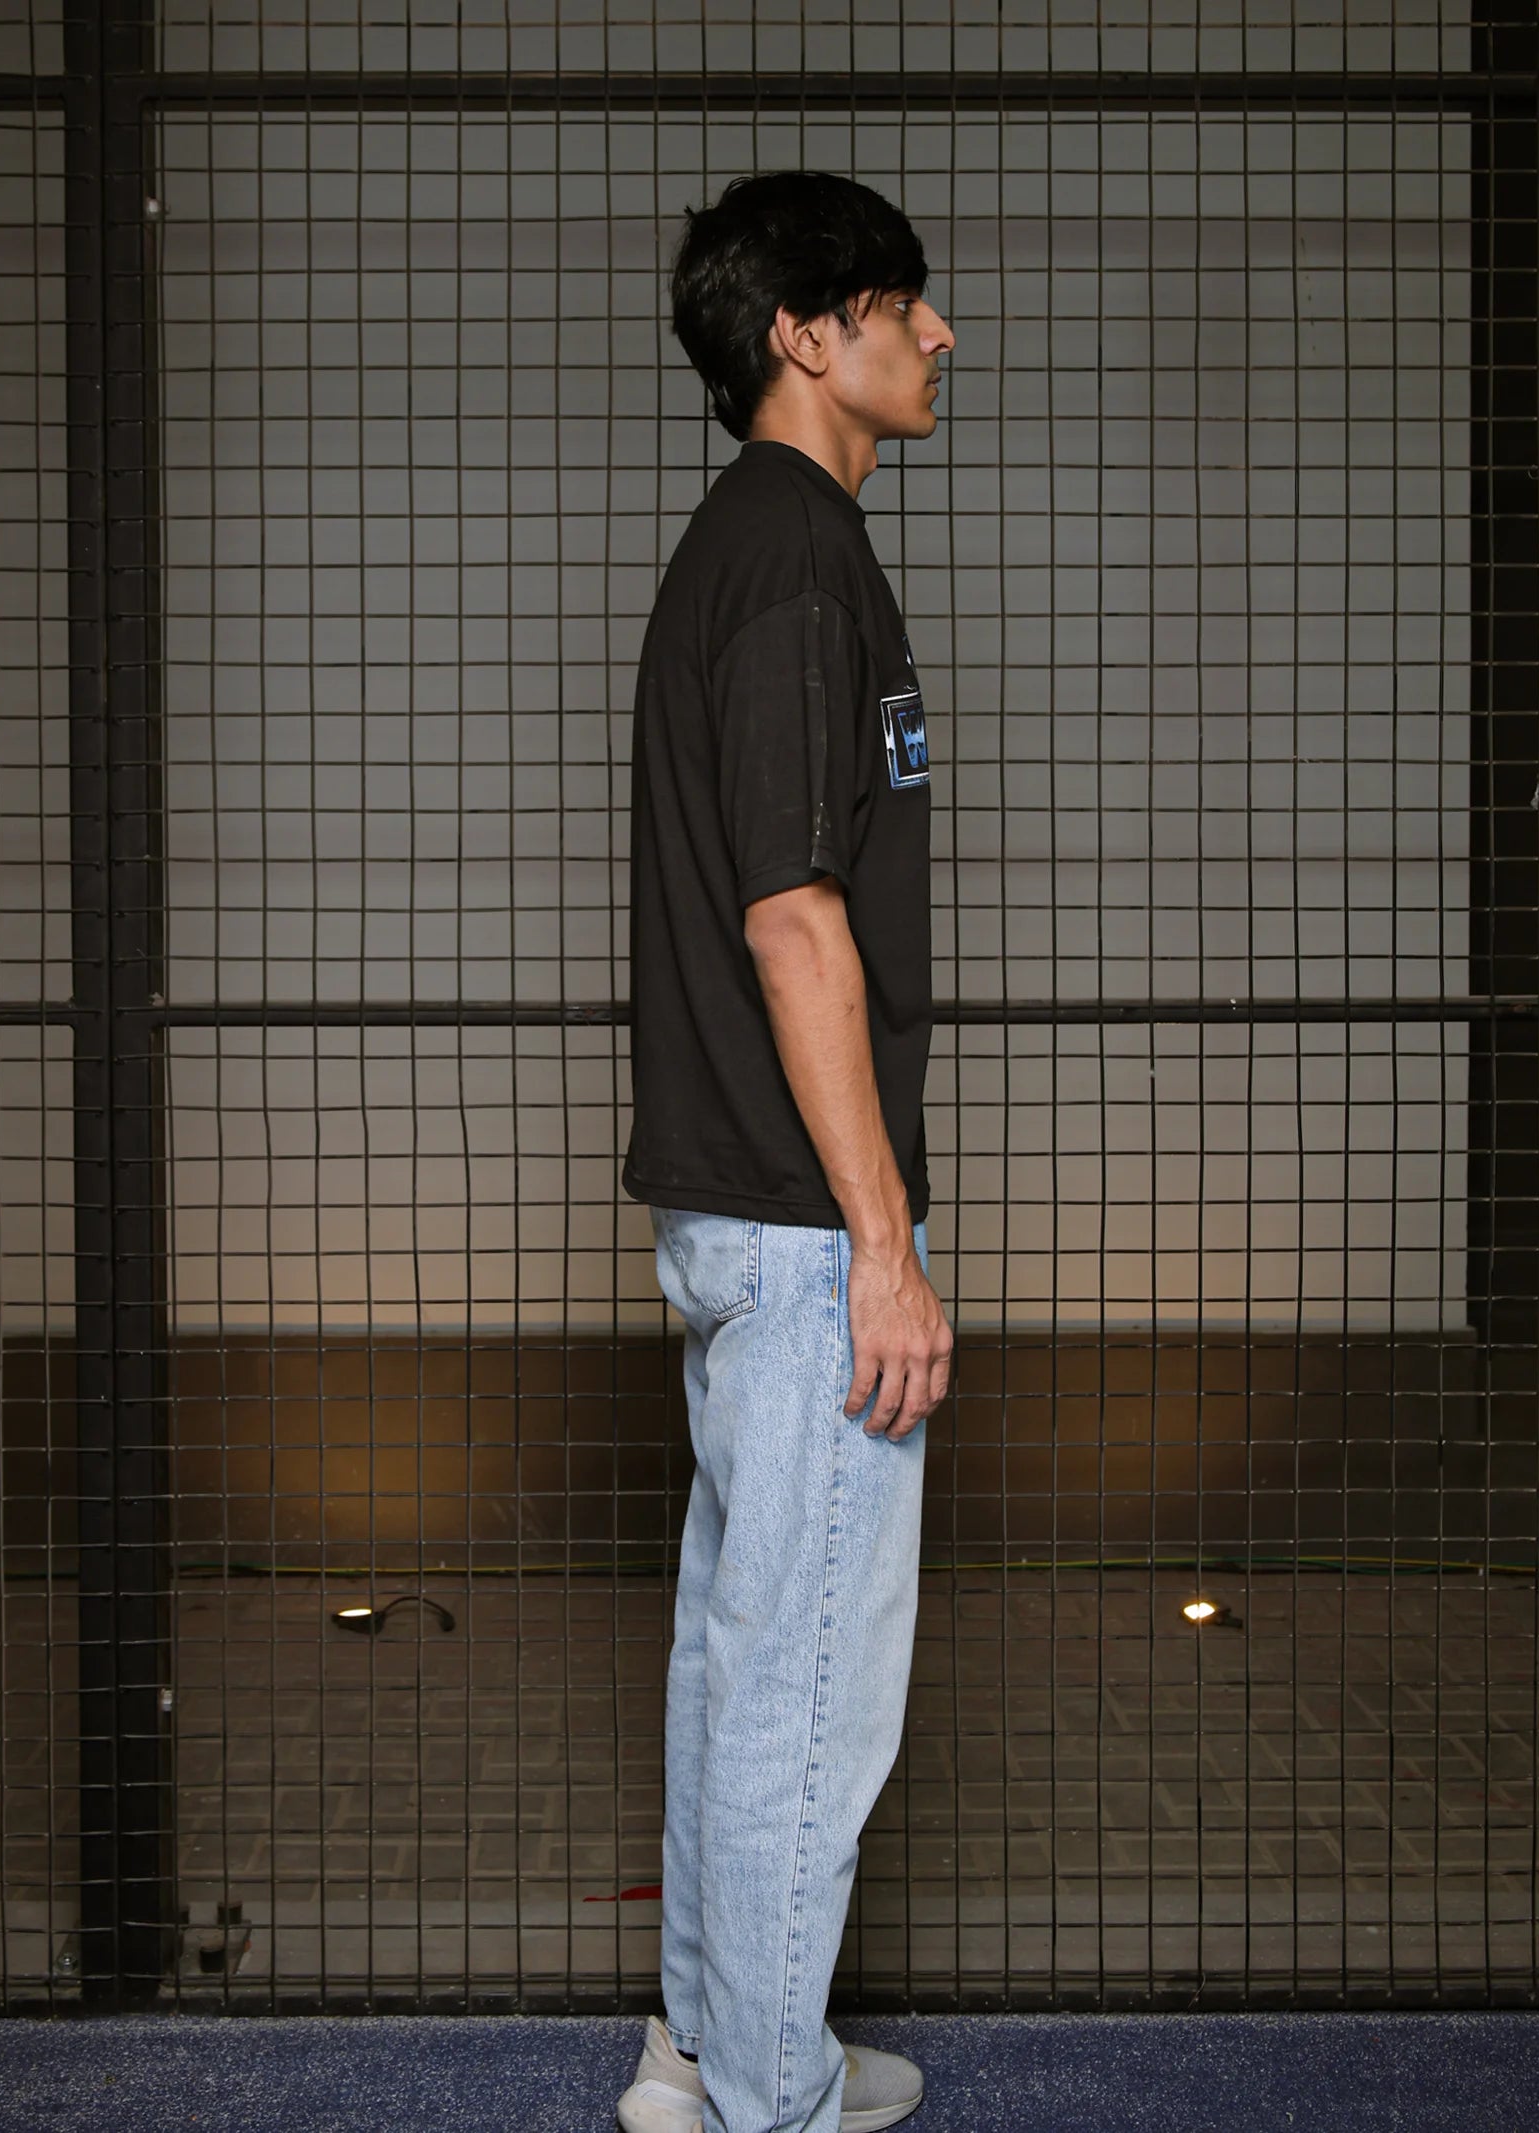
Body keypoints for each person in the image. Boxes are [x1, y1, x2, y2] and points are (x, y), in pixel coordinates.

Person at [617, 169, 957, 2133]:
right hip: (795, 1222)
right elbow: (790, 917)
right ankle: (760, 2090)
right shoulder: (791, 554)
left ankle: (711, 2052)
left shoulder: (755, 548)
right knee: (798, 1691)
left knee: (732, 1658)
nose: (937, 336)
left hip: (737, 1211)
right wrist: (884, 1241)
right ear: (802, 332)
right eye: (904, 305)